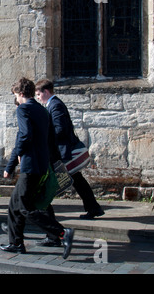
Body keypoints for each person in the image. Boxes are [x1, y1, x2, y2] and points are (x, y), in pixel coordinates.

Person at [0, 78, 74, 259]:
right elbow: (49, 139)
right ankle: (16, 243)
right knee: (14, 205)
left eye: (16, 95)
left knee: (25, 207)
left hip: (30, 165)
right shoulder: (42, 110)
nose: (16, 99)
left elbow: (24, 136)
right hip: (42, 164)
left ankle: (62, 232)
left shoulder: (23, 109)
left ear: (21, 94)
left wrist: (11, 165)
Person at [35, 79, 105, 220]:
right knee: (77, 180)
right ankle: (93, 208)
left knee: (65, 180)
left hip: (63, 152)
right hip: (61, 151)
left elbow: (60, 129)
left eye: (38, 94)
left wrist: (45, 136)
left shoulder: (55, 105)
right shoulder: (53, 105)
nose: (37, 98)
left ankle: (41, 209)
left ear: (46, 92)